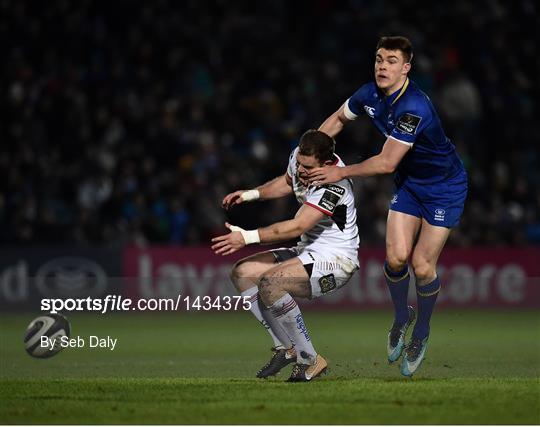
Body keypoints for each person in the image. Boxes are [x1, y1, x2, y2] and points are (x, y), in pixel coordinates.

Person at [307, 36, 468, 377]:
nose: (382, 65)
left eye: (392, 60)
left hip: (443, 188)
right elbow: (337, 119)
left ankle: (420, 333)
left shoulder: (415, 107)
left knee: (423, 266)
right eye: (379, 58)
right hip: (411, 185)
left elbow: (386, 163)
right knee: (395, 258)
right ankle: (400, 317)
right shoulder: (369, 93)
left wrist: (338, 171)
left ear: (406, 68)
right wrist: (309, 156)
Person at [211, 130, 359, 382]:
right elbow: (287, 182)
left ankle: (310, 359)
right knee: (243, 273)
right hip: (306, 250)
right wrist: (250, 194)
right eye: (299, 162)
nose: (300, 169)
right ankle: (287, 348)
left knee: (271, 282)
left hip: (335, 261)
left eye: (307, 167)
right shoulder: (300, 159)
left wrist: (246, 238)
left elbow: (296, 226)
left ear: (325, 164)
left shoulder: (334, 186)